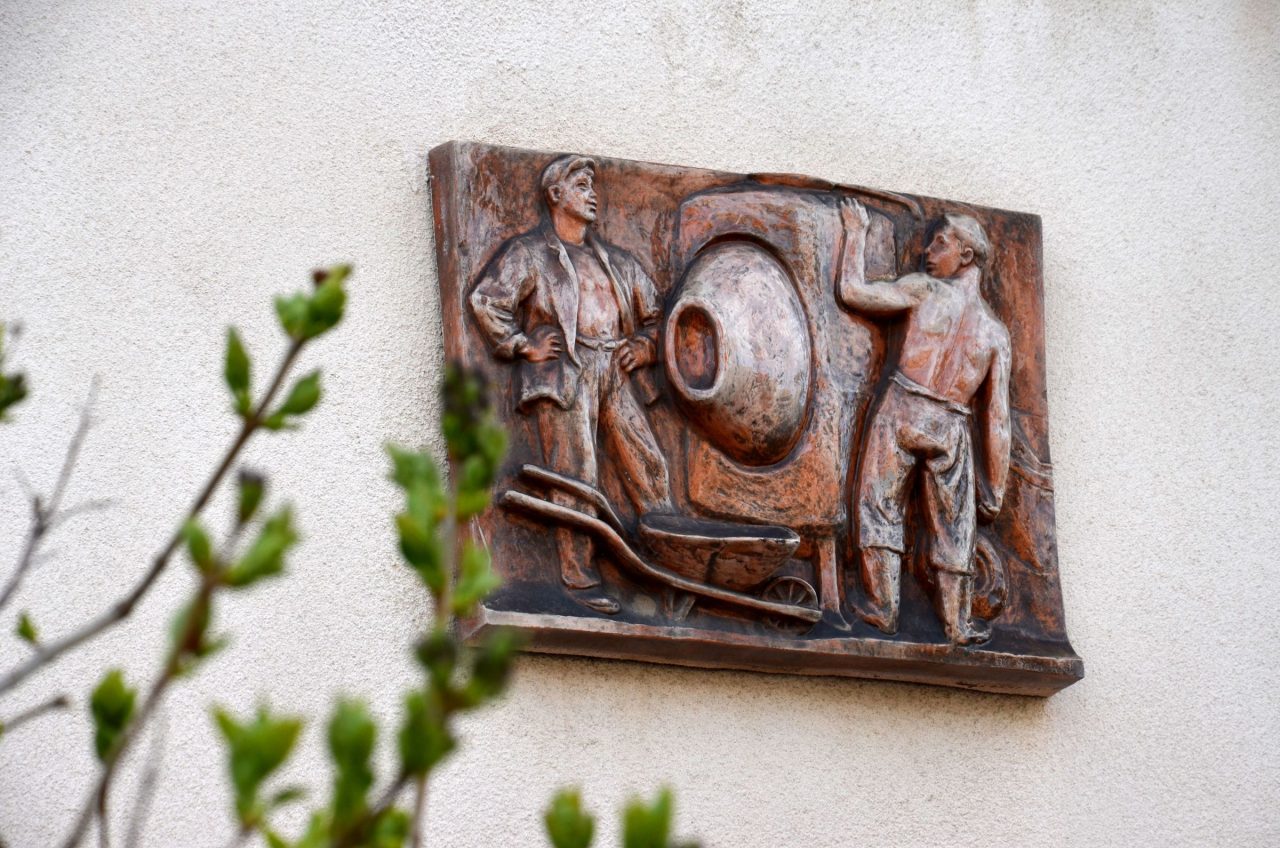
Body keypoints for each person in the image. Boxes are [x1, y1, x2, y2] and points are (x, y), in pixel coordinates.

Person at [469, 155, 672, 615]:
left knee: (649, 464)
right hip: (566, 372)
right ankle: (579, 580)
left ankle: (666, 565)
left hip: (614, 368)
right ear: (555, 194)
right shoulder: (529, 253)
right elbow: (486, 300)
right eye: (581, 186)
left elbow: (660, 316)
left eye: (592, 186)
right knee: (576, 474)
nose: (592, 194)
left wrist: (645, 347)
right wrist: (522, 344)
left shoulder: (618, 262)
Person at [836, 197, 1011, 645]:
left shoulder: (925, 291)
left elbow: (852, 292)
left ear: (966, 255)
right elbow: (996, 420)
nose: (927, 251)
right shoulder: (995, 334)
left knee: (879, 504)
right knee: (956, 527)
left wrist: (855, 232)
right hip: (950, 425)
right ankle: (956, 624)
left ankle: (883, 608)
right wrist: (996, 486)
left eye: (940, 243)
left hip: (903, 410)